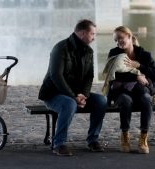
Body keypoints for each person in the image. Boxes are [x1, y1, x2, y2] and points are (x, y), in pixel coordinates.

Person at [38, 19, 107, 156]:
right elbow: (56, 76)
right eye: (92, 34)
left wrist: (84, 95)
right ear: (82, 33)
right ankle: (58, 144)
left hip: (76, 95)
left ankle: (93, 140)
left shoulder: (89, 51)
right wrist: (74, 97)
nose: (94, 38)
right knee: (69, 104)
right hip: (53, 95)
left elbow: (89, 76)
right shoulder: (60, 48)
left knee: (101, 101)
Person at [107, 26, 155, 154]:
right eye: (116, 40)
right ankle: (125, 135)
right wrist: (137, 76)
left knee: (146, 98)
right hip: (121, 92)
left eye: (120, 38)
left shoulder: (144, 55)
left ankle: (143, 137)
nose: (118, 42)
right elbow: (115, 75)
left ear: (129, 37)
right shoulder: (114, 54)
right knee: (125, 100)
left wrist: (139, 66)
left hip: (141, 92)